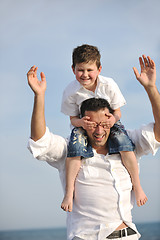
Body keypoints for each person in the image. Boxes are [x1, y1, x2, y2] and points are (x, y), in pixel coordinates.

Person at [27, 55, 160, 240]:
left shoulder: (127, 142)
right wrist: (39, 96)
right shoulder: (70, 149)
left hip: (128, 235)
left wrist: (151, 87)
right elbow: (39, 139)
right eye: (91, 124)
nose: (98, 131)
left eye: (103, 124)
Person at [61, 44, 147, 212]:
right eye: (80, 70)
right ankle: (69, 191)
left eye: (89, 70)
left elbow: (118, 112)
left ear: (99, 69)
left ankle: (137, 185)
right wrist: (82, 124)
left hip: (109, 123)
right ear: (73, 69)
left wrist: (112, 120)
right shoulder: (71, 91)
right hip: (84, 126)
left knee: (125, 145)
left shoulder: (109, 84)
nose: (85, 75)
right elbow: (72, 118)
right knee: (75, 149)